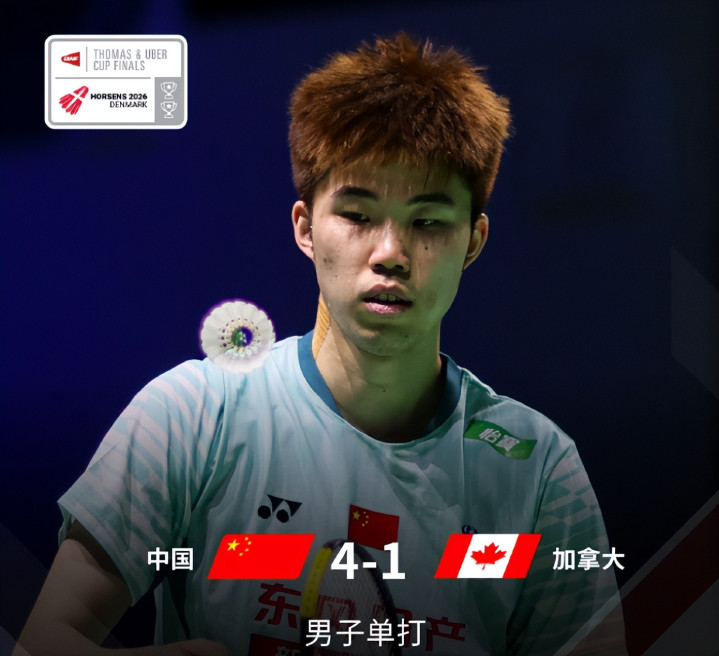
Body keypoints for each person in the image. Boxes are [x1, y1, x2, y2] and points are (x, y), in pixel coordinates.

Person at [16, 34, 626, 655]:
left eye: (428, 221)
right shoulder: (191, 416)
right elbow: (43, 642)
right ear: (306, 228)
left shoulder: (537, 469)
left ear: (473, 241)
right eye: (357, 215)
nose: (390, 254)